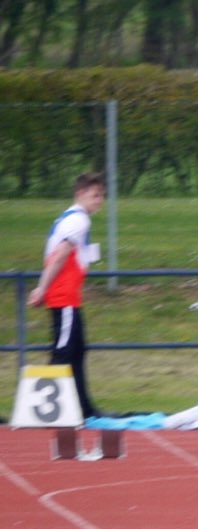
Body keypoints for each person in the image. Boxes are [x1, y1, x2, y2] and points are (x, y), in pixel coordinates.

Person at [27, 171, 105, 419]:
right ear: (80, 194)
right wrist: (42, 288)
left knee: (78, 350)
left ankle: (84, 408)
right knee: (64, 352)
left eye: (101, 196)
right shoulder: (78, 220)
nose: (99, 200)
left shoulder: (70, 218)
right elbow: (61, 255)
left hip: (69, 297)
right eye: (95, 195)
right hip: (64, 298)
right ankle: (40, 410)